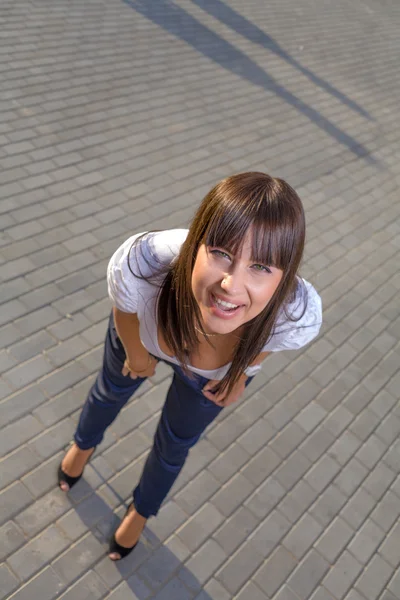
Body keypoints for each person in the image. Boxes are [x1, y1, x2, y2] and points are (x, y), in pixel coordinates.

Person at [57, 172, 322, 561]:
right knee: (108, 392)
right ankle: (83, 445)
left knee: (174, 445)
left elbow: (272, 342)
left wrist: (243, 374)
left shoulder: (297, 313)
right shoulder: (145, 261)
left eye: (261, 267)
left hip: (211, 376)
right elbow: (125, 307)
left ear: (283, 279)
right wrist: (135, 351)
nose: (232, 284)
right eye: (221, 254)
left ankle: (142, 511)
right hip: (143, 336)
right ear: (196, 243)